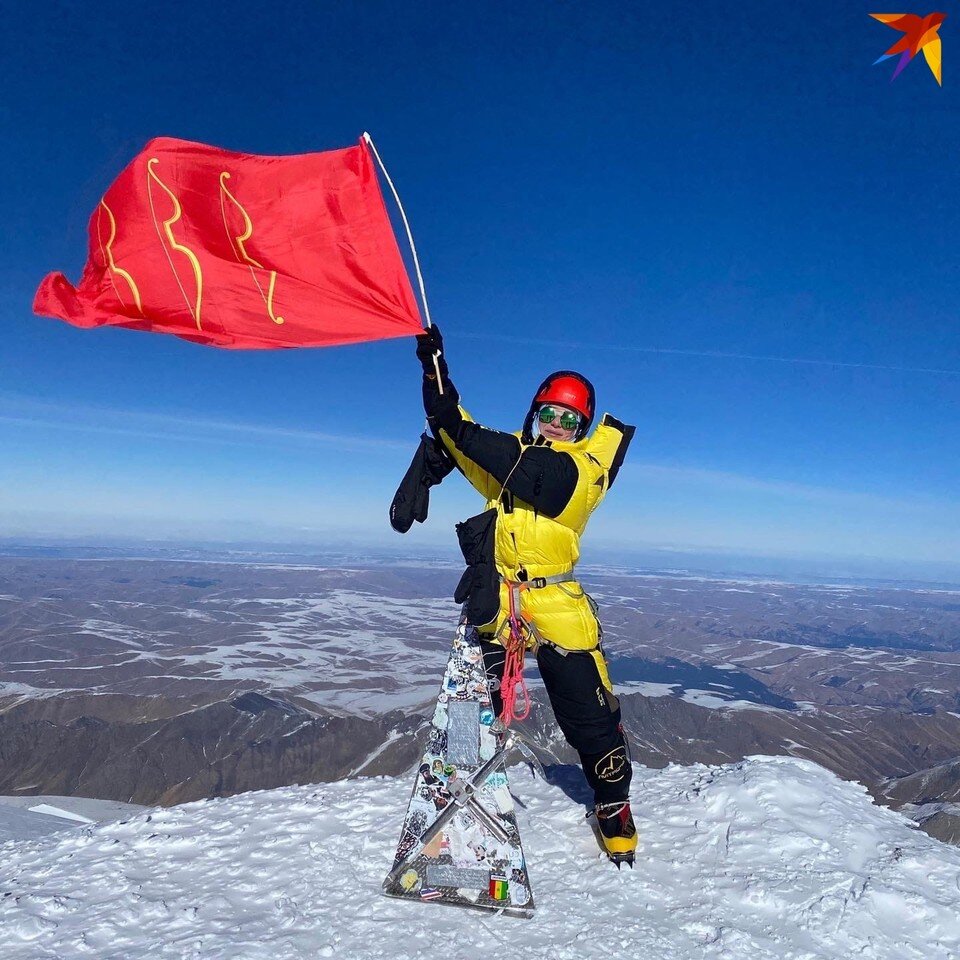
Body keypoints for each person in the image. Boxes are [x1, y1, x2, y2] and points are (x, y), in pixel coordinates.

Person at [415, 323, 638, 863]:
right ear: (535, 417)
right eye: (549, 415)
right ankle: (463, 797)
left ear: (582, 428)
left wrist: (462, 435)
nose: (558, 426)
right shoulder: (511, 465)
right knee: (470, 710)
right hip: (502, 602)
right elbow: (457, 432)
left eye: (570, 420)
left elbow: (529, 468)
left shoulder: (582, 471)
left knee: (590, 716)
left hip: (558, 606)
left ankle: (613, 807)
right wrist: (435, 371)